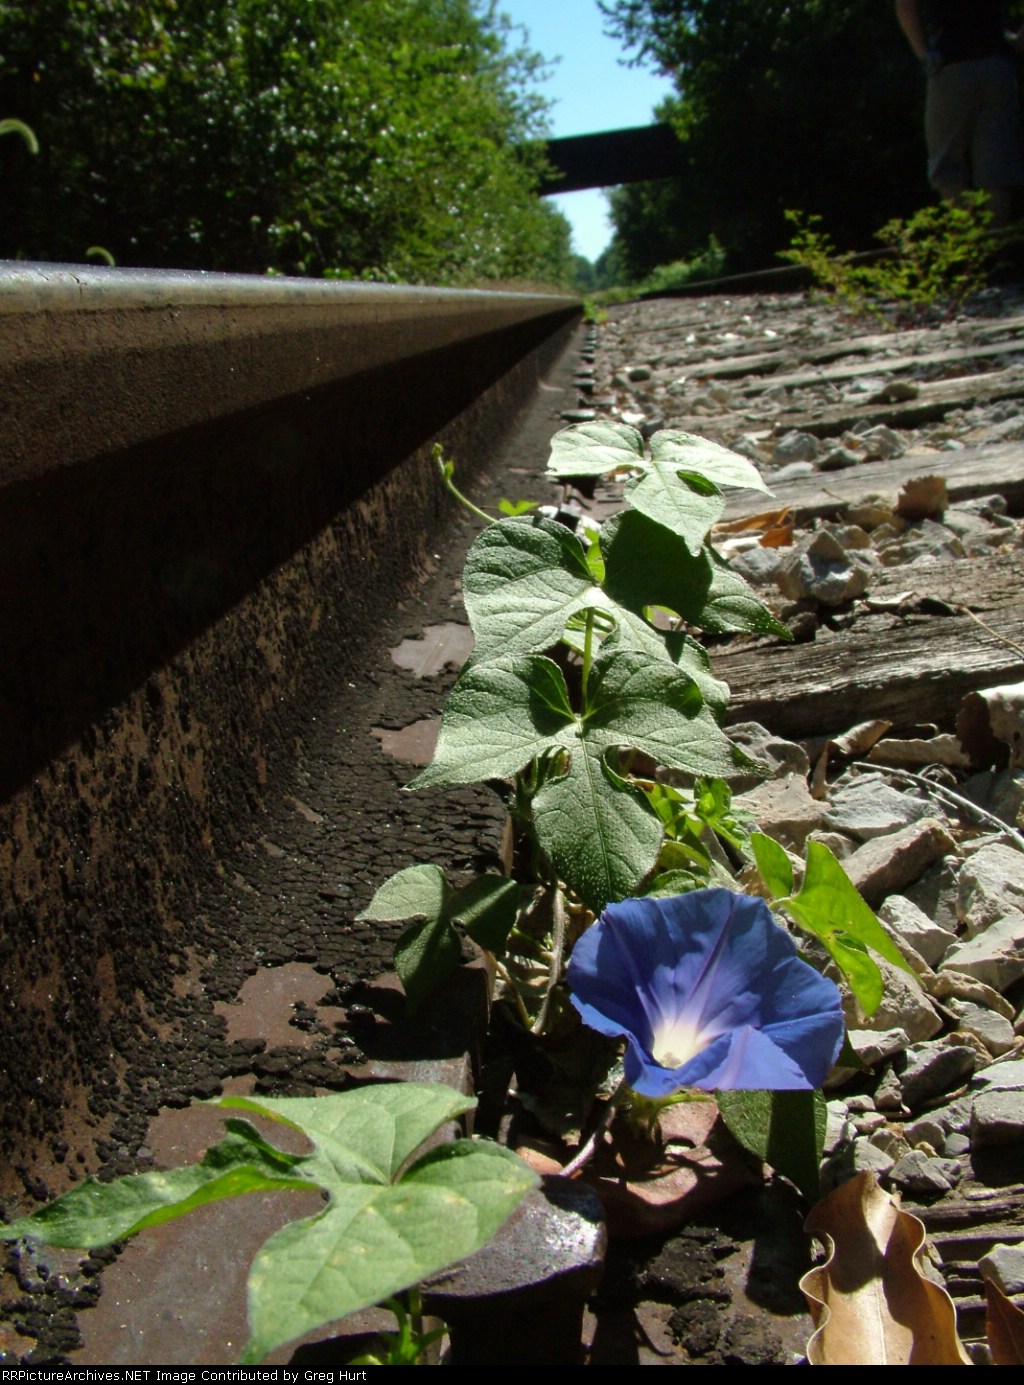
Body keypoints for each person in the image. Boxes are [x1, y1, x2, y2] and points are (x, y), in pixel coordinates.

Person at [895, 0, 1024, 224]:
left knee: (946, 169)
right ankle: (995, 240)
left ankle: (965, 239)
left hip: (950, 64)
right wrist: (1017, 42)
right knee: (997, 171)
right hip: (998, 64)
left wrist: (923, 54)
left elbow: (905, 5)